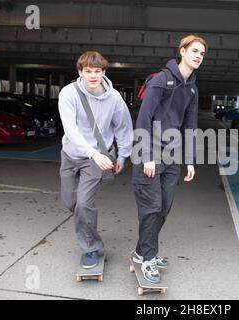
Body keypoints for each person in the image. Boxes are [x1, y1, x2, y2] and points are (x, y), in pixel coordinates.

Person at [132, 35, 208, 283]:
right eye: (194, 51)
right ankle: (147, 259)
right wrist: (147, 156)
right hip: (150, 154)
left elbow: (191, 124)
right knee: (151, 208)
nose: (198, 56)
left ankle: (141, 253)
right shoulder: (160, 81)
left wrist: (190, 159)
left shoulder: (192, 87)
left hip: (173, 155)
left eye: (202, 53)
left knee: (163, 208)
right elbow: (144, 118)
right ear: (183, 51)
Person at [58, 51, 133, 269]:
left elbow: (123, 127)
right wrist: (92, 153)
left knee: (84, 203)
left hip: (97, 158)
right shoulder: (68, 93)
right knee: (70, 202)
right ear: (80, 72)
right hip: (72, 154)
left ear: (104, 72)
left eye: (97, 71)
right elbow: (70, 129)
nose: (93, 76)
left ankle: (90, 247)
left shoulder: (114, 98)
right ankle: (89, 230)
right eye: (88, 71)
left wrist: (123, 155)